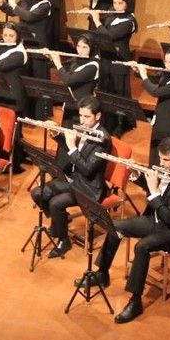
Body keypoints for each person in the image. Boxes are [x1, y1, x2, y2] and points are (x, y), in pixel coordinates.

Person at [81, 137, 170, 324]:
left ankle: (135, 301)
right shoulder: (165, 167)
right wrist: (136, 174)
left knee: (142, 247)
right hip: (155, 220)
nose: (161, 163)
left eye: (166, 160)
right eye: (160, 159)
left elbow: (169, 217)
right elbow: (153, 186)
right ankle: (102, 273)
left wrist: (154, 192)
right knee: (115, 226)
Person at [30, 96, 110, 259]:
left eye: (86, 117)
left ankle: (63, 240)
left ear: (98, 116)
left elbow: (87, 170)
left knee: (55, 203)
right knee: (38, 192)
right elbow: (71, 148)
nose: (82, 120)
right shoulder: (84, 128)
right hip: (74, 179)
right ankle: (60, 221)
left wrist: (73, 147)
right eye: (80, 116)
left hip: (88, 187)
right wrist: (57, 134)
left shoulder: (102, 140)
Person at [89, 0, 138, 134]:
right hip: (106, 56)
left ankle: (120, 124)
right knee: (104, 89)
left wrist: (97, 20)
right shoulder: (112, 14)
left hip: (119, 59)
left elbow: (109, 35)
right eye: (115, 3)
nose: (117, 6)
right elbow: (98, 34)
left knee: (117, 93)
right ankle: (105, 122)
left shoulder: (130, 21)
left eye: (120, 3)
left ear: (127, 4)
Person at [132, 46, 170, 166]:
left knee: (164, 152)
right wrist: (138, 71)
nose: (167, 65)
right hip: (161, 116)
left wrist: (144, 76)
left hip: (169, 121)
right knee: (155, 151)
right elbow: (156, 79)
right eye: (166, 61)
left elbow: (155, 92)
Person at [0, 0, 53, 75]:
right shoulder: (25, 1)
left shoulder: (46, 3)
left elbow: (29, 16)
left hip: (39, 46)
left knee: (39, 77)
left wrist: (13, 3)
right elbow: (12, 11)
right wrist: (2, 3)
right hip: (24, 43)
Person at [47, 34, 100, 126]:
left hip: (81, 108)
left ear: (91, 48)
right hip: (70, 104)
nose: (80, 51)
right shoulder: (77, 59)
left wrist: (58, 63)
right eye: (78, 46)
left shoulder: (93, 66)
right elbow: (64, 69)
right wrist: (51, 57)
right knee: (65, 134)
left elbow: (69, 79)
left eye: (85, 47)